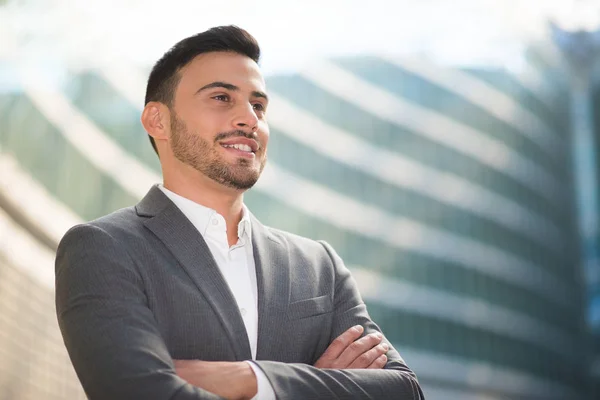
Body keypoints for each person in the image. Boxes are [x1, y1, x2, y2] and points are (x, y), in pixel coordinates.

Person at [55, 25, 424, 400]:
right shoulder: (103, 248)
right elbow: (139, 392)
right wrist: (318, 385)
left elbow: (404, 390)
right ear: (158, 121)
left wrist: (253, 380)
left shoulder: (320, 266)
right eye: (221, 97)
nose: (250, 119)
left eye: (259, 105)